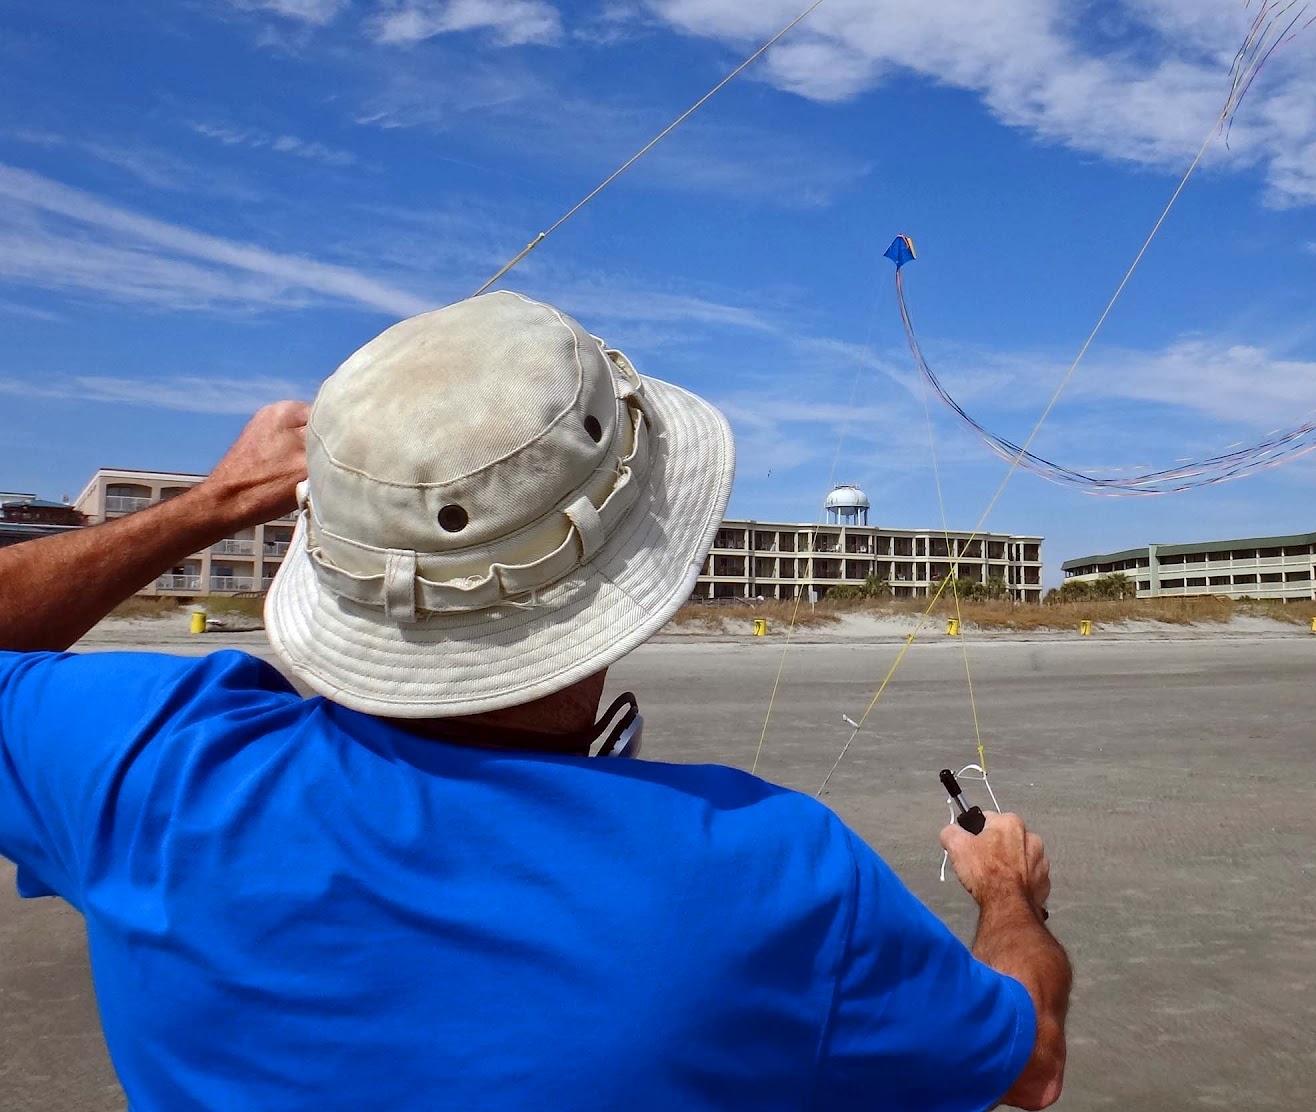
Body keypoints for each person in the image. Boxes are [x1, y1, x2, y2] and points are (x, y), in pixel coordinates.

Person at [0, 293, 1070, 1110]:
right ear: (639, 557)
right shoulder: (770, 867)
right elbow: (1029, 1060)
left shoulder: (146, 756)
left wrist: (212, 502)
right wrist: (1005, 897)